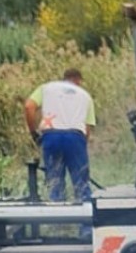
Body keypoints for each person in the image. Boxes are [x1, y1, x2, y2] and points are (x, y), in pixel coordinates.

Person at [24, 69, 96, 203]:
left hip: (51, 137)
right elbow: (87, 129)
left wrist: (33, 132)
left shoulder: (46, 88)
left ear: (64, 78)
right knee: (81, 185)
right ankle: (86, 221)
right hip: (75, 137)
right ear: (78, 80)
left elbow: (29, 107)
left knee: (55, 184)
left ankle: (57, 221)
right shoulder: (85, 96)